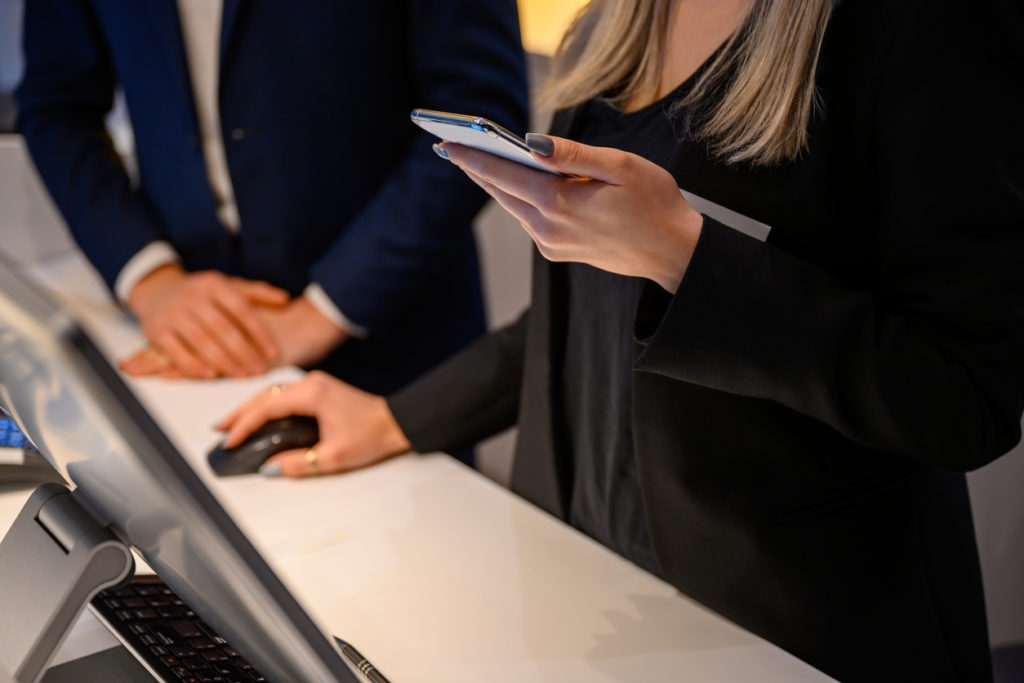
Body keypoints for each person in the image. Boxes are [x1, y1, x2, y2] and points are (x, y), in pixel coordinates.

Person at [218, 0, 1024, 679]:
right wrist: (397, 418)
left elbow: (966, 397)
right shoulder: (616, 16)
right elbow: (590, 313)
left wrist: (686, 254)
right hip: (584, 582)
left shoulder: (927, 24)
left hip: (786, 632)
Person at [14, 2, 527, 405]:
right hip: (185, 333)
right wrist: (149, 278)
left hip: (390, 336)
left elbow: (478, 118)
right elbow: (58, 105)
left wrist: (326, 310)